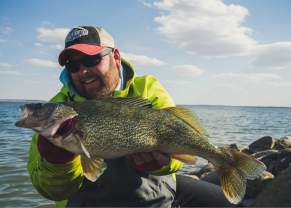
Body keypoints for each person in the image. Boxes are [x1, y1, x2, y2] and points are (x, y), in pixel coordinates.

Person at [27, 25, 233, 207]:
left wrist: (163, 164)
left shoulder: (147, 88)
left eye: (91, 59)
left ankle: (228, 163)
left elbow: (180, 152)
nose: (83, 71)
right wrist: (57, 161)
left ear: (115, 56)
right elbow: (50, 191)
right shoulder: (57, 109)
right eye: (73, 65)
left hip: (148, 198)